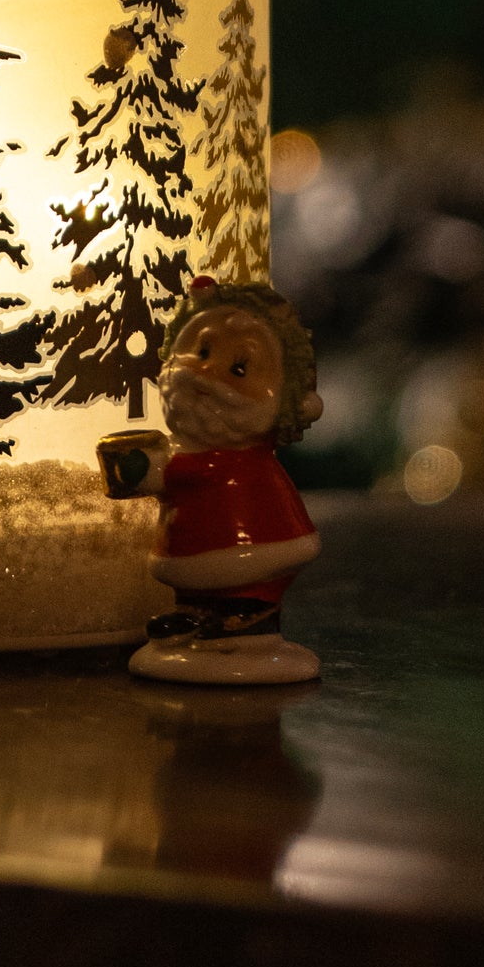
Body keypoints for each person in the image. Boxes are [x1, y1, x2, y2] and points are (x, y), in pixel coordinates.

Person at [98, 279, 322, 685]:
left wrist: (155, 471)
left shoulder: (250, 466)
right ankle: (193, 623)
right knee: (194, 601)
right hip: (186, 556)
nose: (206, 374)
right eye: (201, 352)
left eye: (239, 369)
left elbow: (178, 476)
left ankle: (244, 630)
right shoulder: (180, 455)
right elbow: (165, 476)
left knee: (243, 598)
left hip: (258, 553)